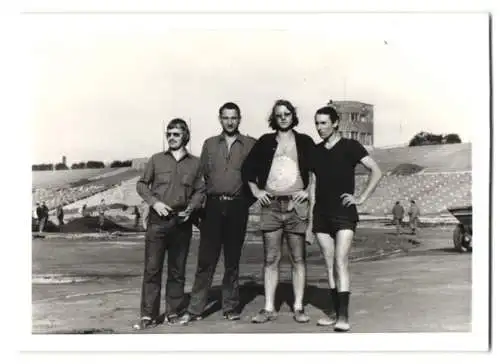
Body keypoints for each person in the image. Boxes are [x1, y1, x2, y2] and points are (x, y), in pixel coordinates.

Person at [176, 102, 256, 325]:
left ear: (240, 119)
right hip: (212, 207)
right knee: (205, 261)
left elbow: (257, 177)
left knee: (232, 261)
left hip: (238, 207)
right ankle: (195, 309)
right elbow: (201, 179)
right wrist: (198, 208)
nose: (230, 121)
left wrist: (244, 202)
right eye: (226, 117)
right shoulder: (209, 144)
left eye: (234, 118)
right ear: (220, 119)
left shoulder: (250, 144)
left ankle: (230, 307)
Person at [241, 99, 316, 324]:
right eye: (279, 114)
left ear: (293, 116)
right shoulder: (265, 141)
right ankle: (268, 308)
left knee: (298, 259)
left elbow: (317, 171)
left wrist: (308, 191)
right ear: (273, 118)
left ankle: (299, 307)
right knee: (270, 259)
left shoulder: (304, 141)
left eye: (287, 113)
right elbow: (247, 170)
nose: (283, 117)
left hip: (297, 206)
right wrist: (256, 191)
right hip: (270, 207)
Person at [310, 105, 382, 332]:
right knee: (329, 264)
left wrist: (360, 198)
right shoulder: (316, 150)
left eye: (324, 123)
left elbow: (376, 171)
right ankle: (333, 312)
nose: (320, 128)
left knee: (341, 261)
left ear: (335, 123)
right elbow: (313, 185)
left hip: (344, 213)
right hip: (321, 213)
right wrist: (311, 220)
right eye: (317, 123)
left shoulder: (351, 146)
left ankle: (343, 317)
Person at [133, 118, 205, 330]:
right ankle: (148, 315)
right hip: (157, 222)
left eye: (176, 134)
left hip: (182, 222)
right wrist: (154, 203)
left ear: (185, 136)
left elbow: (200, 190)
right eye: (169, 134)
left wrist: (191, 208)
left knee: (177, 270)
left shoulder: (196, 163)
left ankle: (173, 311)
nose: (171, 138)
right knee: (152, 269)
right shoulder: (156, 160)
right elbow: (141, 184)